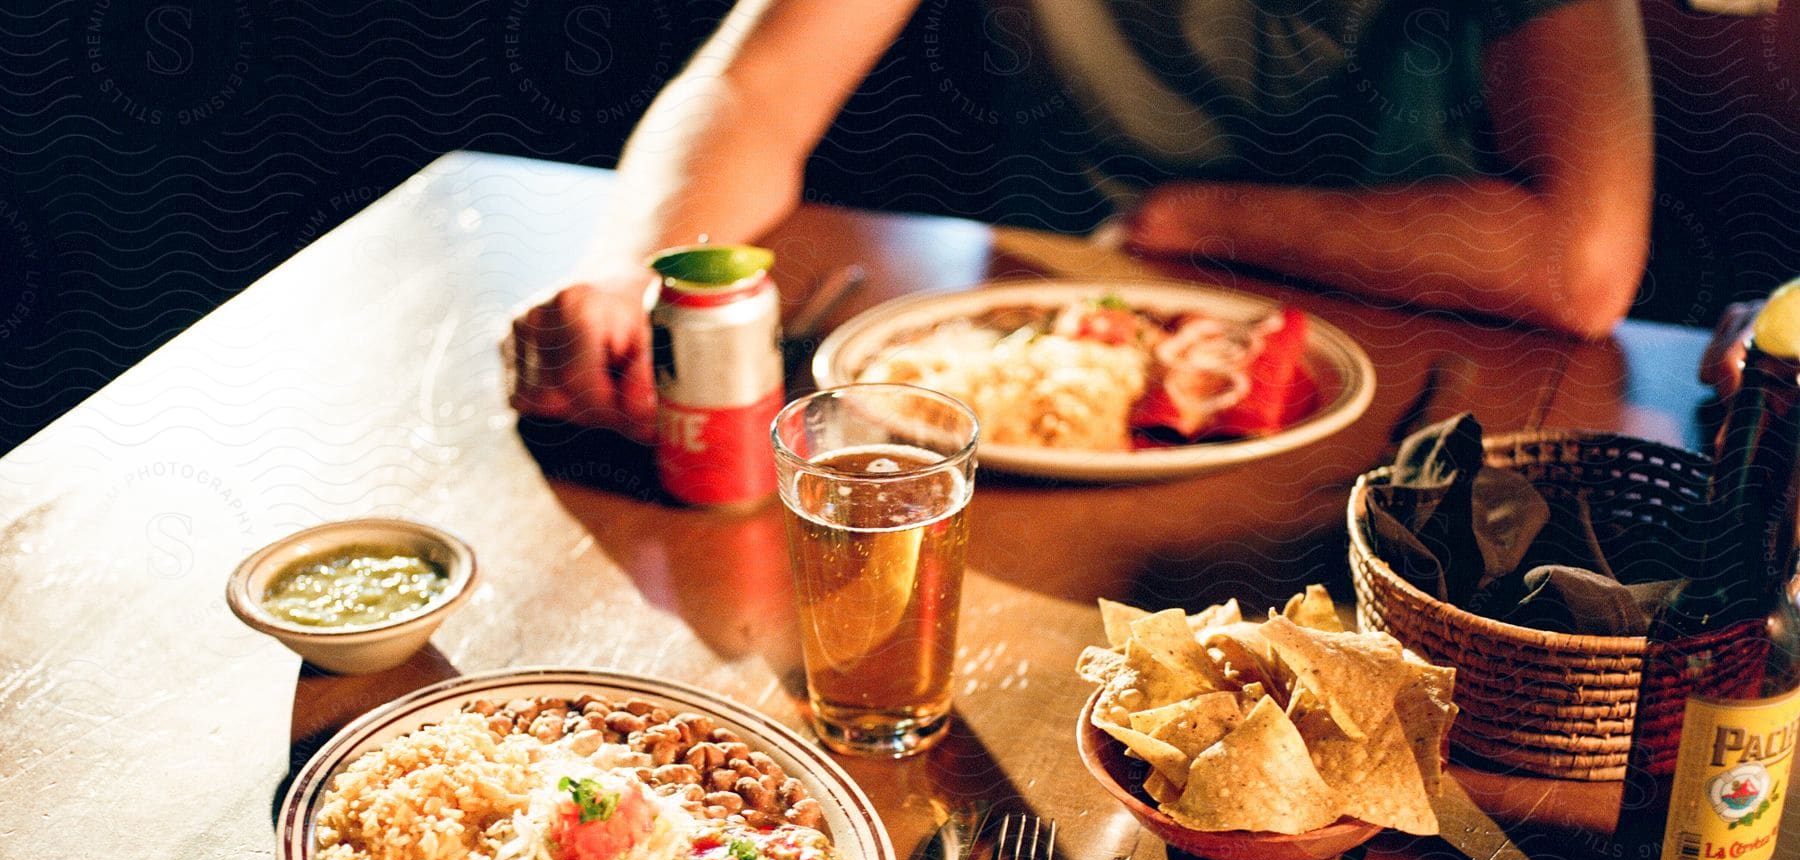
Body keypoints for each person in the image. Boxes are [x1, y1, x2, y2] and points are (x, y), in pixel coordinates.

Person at [505, 0, 1653, 438]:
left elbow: (1582, 259)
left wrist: (1197, 218)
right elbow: (750, 91)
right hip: (1045, 378)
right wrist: (627, 274)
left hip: (1415, 362)